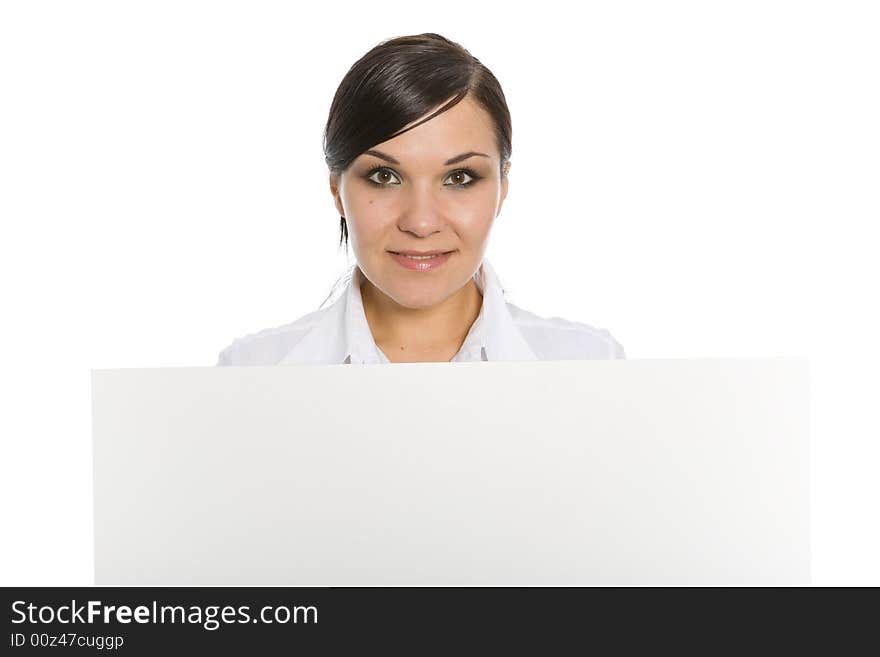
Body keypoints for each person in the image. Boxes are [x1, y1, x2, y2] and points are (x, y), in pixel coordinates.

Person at [216, 33, 625, 366]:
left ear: (503, 187)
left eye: (460, 177)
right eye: (384, 176)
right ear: (336, 189)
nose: (421, 221)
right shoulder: (249, 373)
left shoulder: (591, 366)